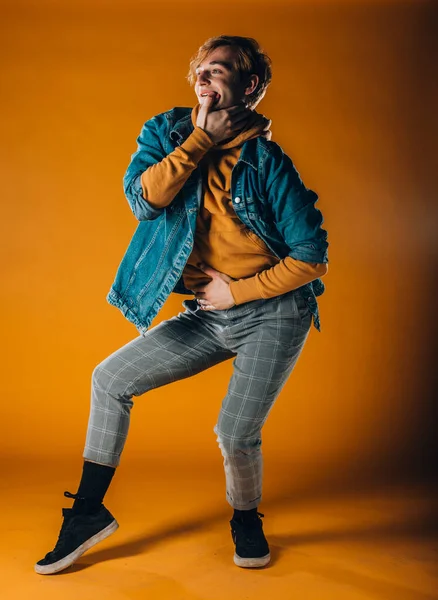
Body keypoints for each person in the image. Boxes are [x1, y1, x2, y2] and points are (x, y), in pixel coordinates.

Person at [35, 35, 329, 575]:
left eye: (222, 71)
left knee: (235, 433)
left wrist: (235, 292)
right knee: (109, 379)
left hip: (274, 311)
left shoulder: (266, 161)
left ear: (250, 87)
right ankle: (87, 513)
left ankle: (245, 516)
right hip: (210, 315)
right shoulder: (166, 132)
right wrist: (197, 139)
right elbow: (143, 199)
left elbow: (312, 255)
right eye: (202, 69)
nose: (206, 76)